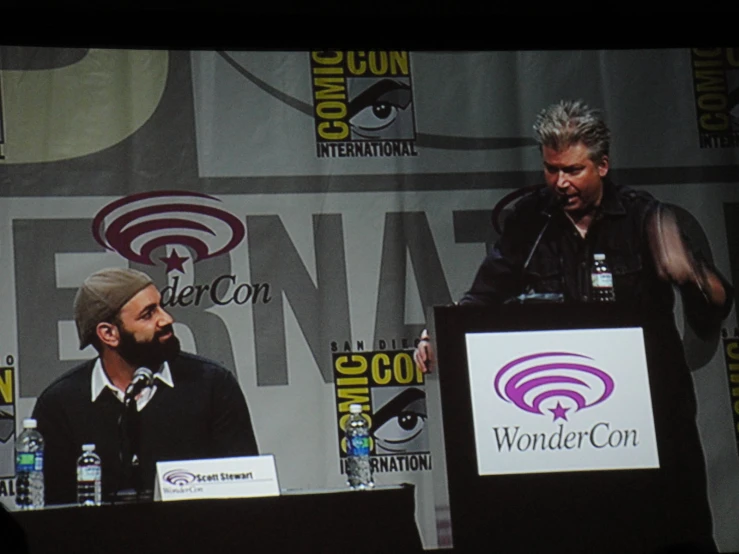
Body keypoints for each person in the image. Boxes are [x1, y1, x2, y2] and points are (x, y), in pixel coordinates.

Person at [413, 100, 733, 553]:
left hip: (652, 418)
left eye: (573, 170)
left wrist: (691, 275)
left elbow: (716, 305)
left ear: (602, 165)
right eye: (551, 169)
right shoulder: (529, 222)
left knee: (673, 533)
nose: (560, 183)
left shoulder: (648, 217)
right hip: (564, 432)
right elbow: (482, 298)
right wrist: (440, 335)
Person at [33, 267, 259, 505]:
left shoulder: (212, 385)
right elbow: (52, 514)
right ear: (109, 334)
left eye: (161, 306)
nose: (167, 319)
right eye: (148, 314)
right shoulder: (60, 406)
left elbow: (246, 491)